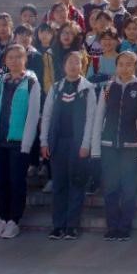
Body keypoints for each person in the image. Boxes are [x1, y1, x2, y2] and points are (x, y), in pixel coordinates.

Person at [0, 45, 41, 239]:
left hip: (18, 143)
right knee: (1, 183)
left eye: (18, 57)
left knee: (17, 182)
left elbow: (33, 116)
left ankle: (14, 220)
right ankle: (3, 218)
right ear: (5, 61)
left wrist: (27, 144)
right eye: (10, 57)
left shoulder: (31, 83)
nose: (14, 61)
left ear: (25, 60)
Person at [92, 51, 137, 241]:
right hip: (108, 145)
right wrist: (95, 149)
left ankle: (125, 227)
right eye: (121, 64)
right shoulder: (108, 88)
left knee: (128, 189)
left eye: (129, 64)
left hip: (131, 147)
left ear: (135, 66)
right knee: (110, 188)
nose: (124, 68)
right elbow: (98, 118)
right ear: (116, 66)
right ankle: (112, 227)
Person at [40, 51, 96, 241]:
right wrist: (44, 141)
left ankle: (72, 226)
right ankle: (58, 226)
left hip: (78, 144)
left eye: (77, 62)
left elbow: (91, 119)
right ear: (64, 66)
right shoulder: (56, 88)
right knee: (59, 185)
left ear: (83, 66)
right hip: (58, 143)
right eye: (70, 62)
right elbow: (46, 116)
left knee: (76, 184)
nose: (73, 65)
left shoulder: (88, 89)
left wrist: (86, 144)